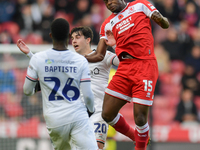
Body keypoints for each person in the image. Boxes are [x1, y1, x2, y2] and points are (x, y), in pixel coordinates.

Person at [17, 26, 119, 150]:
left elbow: (124, 61)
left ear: (88, 40)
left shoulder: (104, 55)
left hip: (97, 112)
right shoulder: (71, 61)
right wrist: (29, 54)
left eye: (77, 37)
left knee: (97, 146)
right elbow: (49, 74)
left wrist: (115, 45)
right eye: (72, 38)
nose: (74, 41)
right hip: (77, 114)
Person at [85, 0, 170, 150]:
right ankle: (135, 136)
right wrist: (79, 58)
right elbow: (99, 55)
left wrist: (160, 19)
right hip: (124, 67)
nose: (109, 3)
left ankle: (140, 147)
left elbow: (165, 24)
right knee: (107, 114)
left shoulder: (139, 5)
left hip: (145, 65)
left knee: (140, 118)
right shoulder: (107, 24)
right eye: (106, 1)